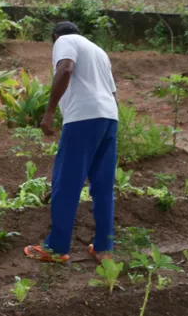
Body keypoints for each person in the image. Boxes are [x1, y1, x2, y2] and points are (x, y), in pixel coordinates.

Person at [24, 22, 118, 264]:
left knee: (66, 182)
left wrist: (49, 112)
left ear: (55, 36)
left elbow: (65, 69)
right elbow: (112, 91)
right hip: (109, 117)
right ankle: (103, 247)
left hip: (82, 119)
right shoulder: (98, 50)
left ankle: (56, 247)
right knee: (103, 185)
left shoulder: (64, 41)